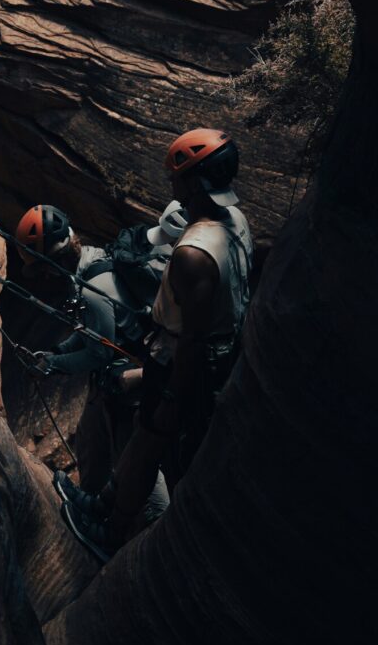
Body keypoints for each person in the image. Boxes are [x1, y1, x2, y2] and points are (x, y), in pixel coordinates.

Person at [58, 127, 253, 562]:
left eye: (177, 178)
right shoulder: (235, 222)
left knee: (153, 441)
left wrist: (168, 392)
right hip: (200, 349)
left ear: (193, 183)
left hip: (186, 358)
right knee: (145, 437)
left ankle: (110, 533)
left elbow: (195, 336)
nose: (172, 185)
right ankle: (105, 503)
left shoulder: (195, 254)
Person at [15, 202, 186, 505]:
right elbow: (88, 331)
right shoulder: (88, 262)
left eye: (40, 268)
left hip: (130, 383)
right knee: (91, 440)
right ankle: (89, 502)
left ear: (52, 261)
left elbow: (99, 353)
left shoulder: (94, 289)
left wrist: (53, 364)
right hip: (108, 382)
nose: (41, 277)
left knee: (133, 462)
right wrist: (56, 351)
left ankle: (150, 527)